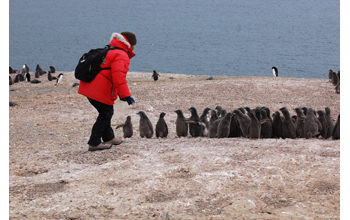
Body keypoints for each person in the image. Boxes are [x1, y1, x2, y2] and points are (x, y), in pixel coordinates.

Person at [78, 31, 137, 151]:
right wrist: (126, 96)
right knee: (105, 113)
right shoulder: (121, 54)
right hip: (98, 89)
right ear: (130, 44)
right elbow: (118, 77)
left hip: (90, 86)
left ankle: (108, 137)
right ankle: (94, 142)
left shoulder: (110, 49)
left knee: (107, 112)